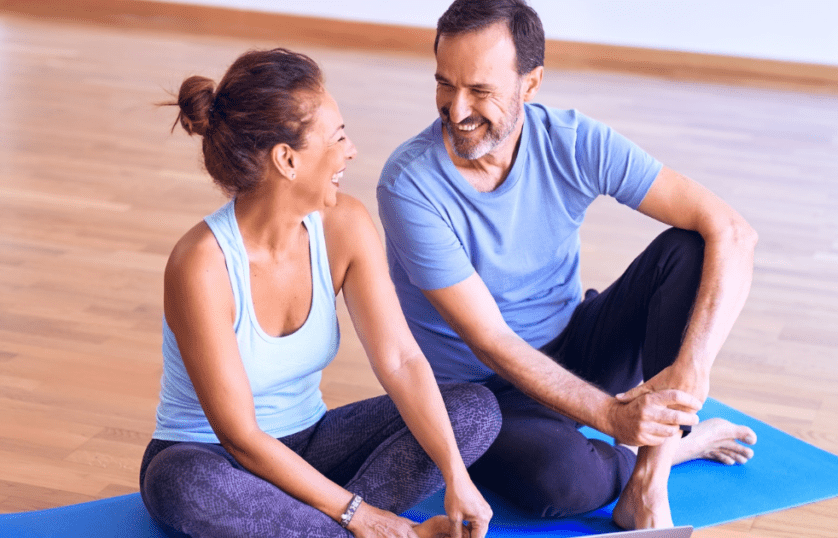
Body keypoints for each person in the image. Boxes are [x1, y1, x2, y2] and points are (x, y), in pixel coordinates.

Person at [377, 0, 758, 530]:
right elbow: (492, 341)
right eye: (445, 83)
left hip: (575, 345)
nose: (456, 108)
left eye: (480, 90)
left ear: (530, 85)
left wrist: (694, 365)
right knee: (563, 483)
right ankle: (677, 449)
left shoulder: (573, 141)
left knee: (690, 247)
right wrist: (611, 417)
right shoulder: (410, 185)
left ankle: (649, 482)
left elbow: (734, 231)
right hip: (484, 394)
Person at [140, 48, 501, 538]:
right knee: (181, 486)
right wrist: (363, 515)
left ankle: (306, 528)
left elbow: (401, 360)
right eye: (338, 138)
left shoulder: (345, 225)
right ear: (287, 159)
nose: (351, 150)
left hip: (310, 442)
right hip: (212, 457)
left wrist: (457, 477)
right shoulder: (201, 265)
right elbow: (240, 436)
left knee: (474, 412)